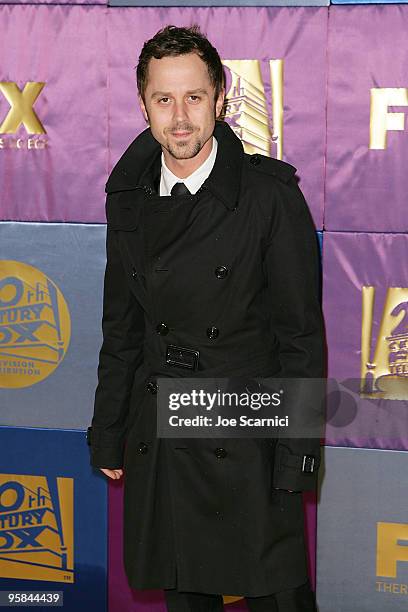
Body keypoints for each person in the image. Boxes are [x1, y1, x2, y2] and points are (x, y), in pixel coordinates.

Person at [87, 24, 325, 612]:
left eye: (194, 97)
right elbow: (122, 330)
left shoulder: (270, 196)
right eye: (163, 99)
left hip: (248, 432)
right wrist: (109, 432)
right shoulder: (129, 200)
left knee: (280, 597)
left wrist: (297, 453)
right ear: (143, 105)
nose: (181, 118)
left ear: (220, 98)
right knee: (186, 593)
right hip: (165, 427)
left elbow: (301, 338)